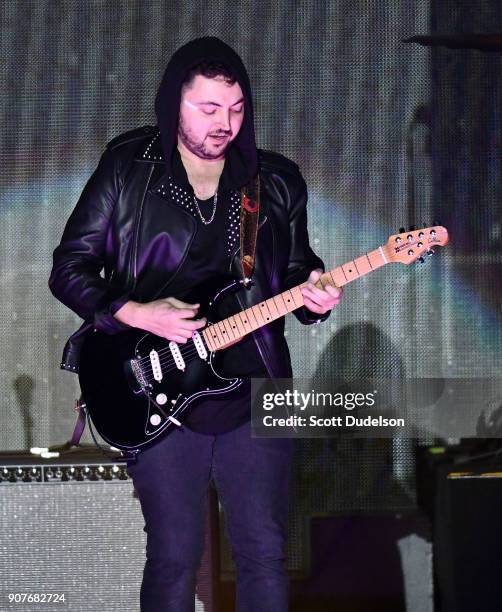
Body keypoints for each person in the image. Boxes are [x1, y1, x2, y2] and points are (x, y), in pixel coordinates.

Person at [49, 37, 342, 612]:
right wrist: (134, 311)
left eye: (235, 110)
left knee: (264, 551)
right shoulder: (129, 166)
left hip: (257, 385)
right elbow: (69, 269)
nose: (224, 124)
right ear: (173, 105)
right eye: (208, 109)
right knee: (174, 556)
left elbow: (297, 272)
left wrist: (315, 297)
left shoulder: (275, 181)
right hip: (153, 381)